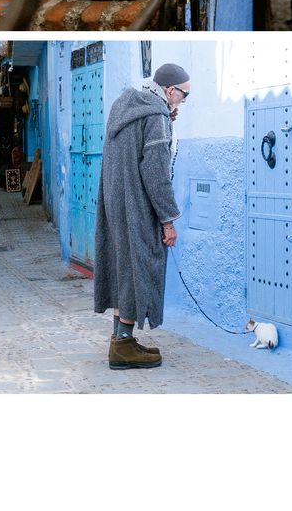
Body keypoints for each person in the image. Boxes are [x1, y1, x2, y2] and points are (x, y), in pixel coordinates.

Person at [93, 63, 190, 371]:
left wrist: (165, 120)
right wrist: (168, 219)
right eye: (184, 95)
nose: (185, 101)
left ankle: (121, 339)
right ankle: (122, 347)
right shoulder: (156, 116)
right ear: (170, 91)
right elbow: (156, 172)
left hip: (115, 200)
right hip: (138, 206)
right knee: (141, 267)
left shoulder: (125, 103)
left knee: (123, 266)